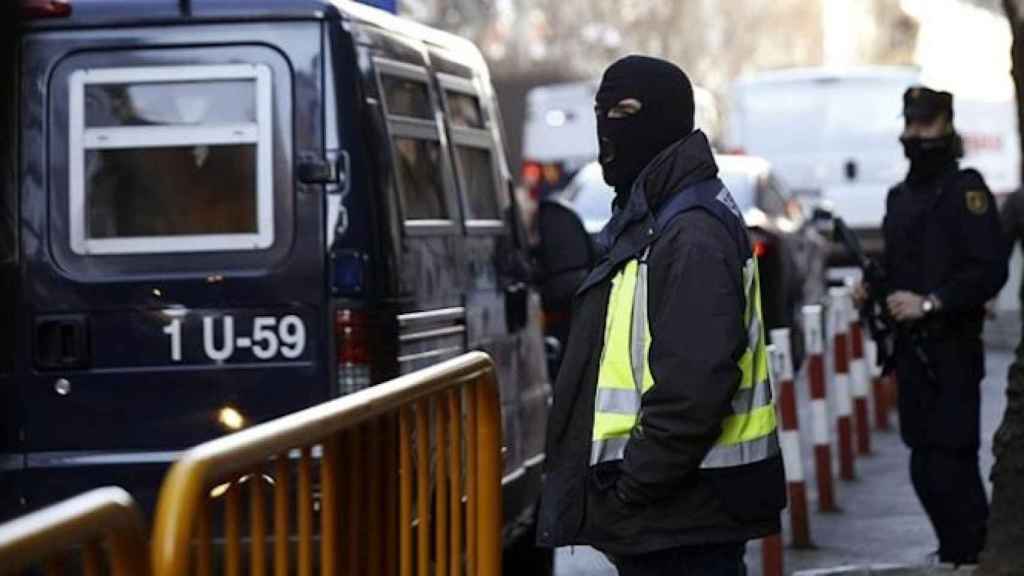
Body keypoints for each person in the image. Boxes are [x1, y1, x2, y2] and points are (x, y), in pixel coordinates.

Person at [535, 55, 786, 576]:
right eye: (601, 111)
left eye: (624, 111)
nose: (608, 126)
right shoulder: (653, 216)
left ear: (668, 118)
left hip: (683, 516)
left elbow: (695, 383)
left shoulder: (689, 230)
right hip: (671, 517)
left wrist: (635, 483)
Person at [869, 86, 1007, 566]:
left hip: (951, 350)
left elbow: (989, 270)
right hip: (911, 355)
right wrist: (874, 290)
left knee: (952, 467)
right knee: (924, 465)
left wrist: (932, 304)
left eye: (925, 125)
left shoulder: (965, 190)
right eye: (910, 124)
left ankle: (972, 554)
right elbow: (899, 269)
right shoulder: (900, 197)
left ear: (947, 126)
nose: (915, 134)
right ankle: (956, 552)